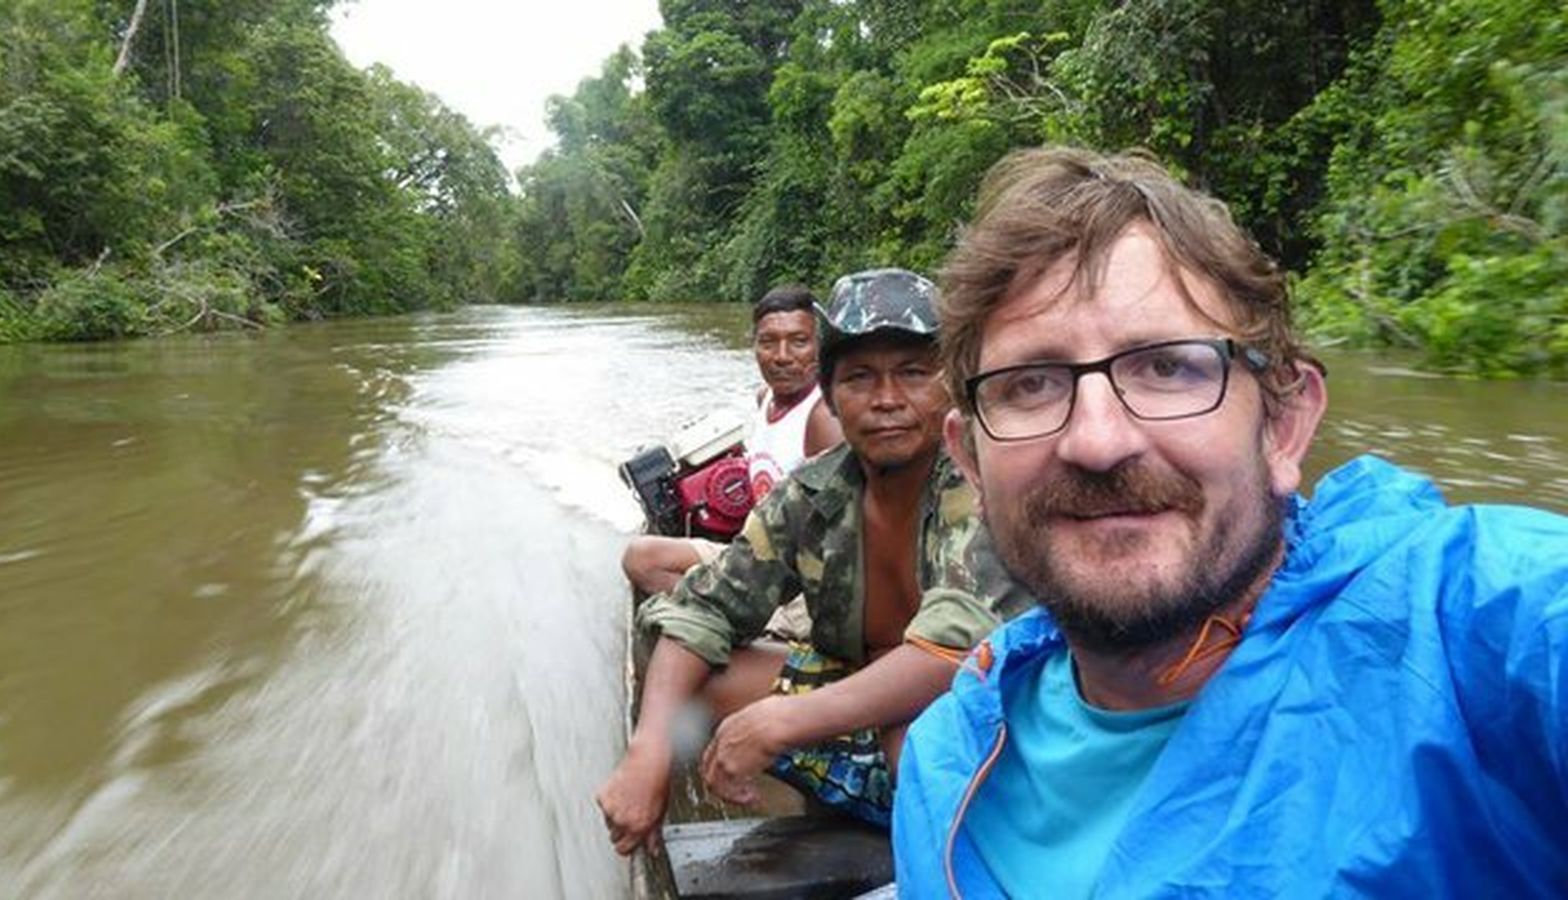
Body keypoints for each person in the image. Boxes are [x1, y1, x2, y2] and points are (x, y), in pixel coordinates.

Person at [890, 146, 1568, 897]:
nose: (1097, 442)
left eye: (1168, 367)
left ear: (1284, 426)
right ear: (971, 461)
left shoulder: (1474, 628)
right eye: (1030, 385)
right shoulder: (945, 764)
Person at [596, 269, 1033, 856]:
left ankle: (948, 851)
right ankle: (844, 806)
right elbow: (702, 608)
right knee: (695, 681)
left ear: (952, 386)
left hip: (990, 713)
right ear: (828, 395)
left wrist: (781, 723)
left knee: (915, 738)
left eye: (912, 372)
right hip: (858, 699)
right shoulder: (813, 494)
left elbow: (955, 647)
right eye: (859, 377)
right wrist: (647, 750)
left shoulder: (981, 482)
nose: (886, 399)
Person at [621, 284, 842, 596]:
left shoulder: (823, 419)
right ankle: (719, 608)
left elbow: (836, 538)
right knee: (641, 558)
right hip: (756, 550)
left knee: (648, 564)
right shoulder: (766, 397)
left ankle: (727, 614)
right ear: (754, 346)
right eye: (768, 342)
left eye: (799, 342)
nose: (782, 356)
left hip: (795, 575)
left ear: (821, 347)